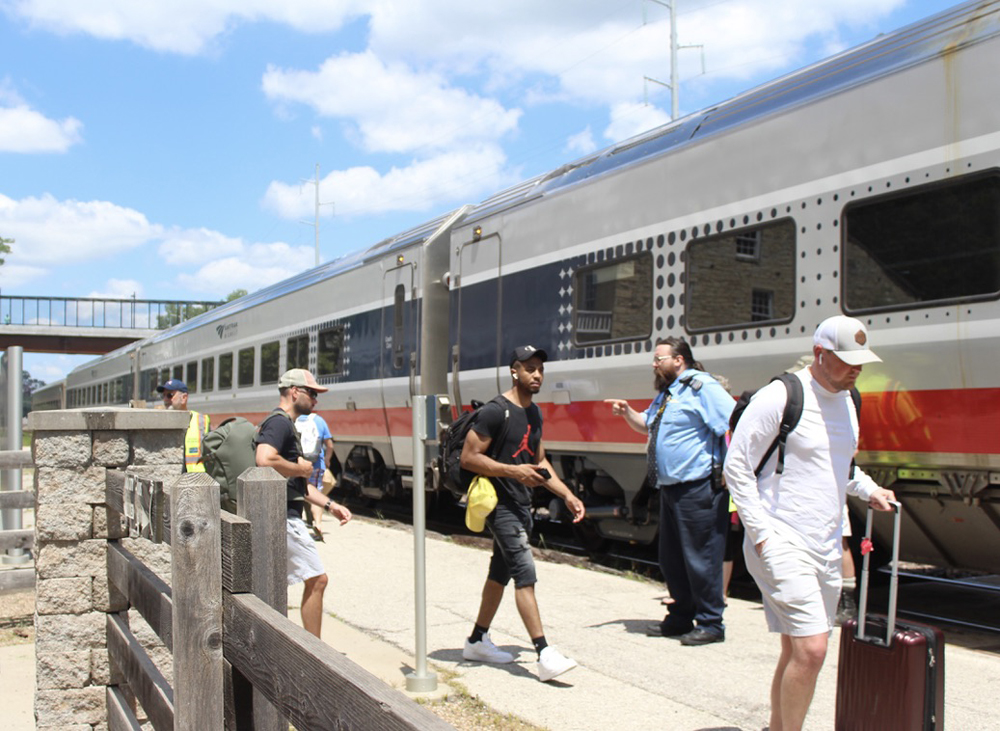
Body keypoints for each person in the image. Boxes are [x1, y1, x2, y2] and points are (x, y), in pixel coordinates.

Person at [724, 316, 896, 731]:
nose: (856, 369)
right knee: (814, 650)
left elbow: (840, 467)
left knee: (796, 647)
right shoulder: (781, 395)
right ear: (820, 354)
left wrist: (868, 488)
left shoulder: (850, 402)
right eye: (846, 360)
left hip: (825, 542)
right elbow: (737, 467)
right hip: (781, 537)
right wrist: (762, 534)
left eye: (860, 361)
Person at [460, 345, 586, 682]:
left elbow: (540, 461)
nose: (537, 375)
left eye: (540, 369)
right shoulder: (494, 411)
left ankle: (476, 640)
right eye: (530, 368)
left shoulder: (534, 414)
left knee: (499, 573)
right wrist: (514, 472)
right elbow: (469, 458)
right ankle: (544, 652)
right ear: (514, 370)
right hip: (499, 506)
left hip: (521, 504)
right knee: (524, 573)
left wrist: (567, 494)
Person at [606, 337, 734, 646]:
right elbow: (647, 425)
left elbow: (732, 422)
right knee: (672, 558)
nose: (654, 363)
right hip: (672, 488)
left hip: (699, 486)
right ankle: (680, 617)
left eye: (659, 358)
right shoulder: (668, 394)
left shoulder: (702, 387)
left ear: (679, 360)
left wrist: (732, 471)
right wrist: (627, 413)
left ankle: (711, 623)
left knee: (702, 556)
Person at [254, 368, 352, 639]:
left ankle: (287, 642)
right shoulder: (280, 423)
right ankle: (315, 650)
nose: (316, 400)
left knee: (281, 586)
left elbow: (296, 483)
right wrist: (300, 469)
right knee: (318, 579)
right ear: (294, 392)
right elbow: (264, 458)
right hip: (284, 517)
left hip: (284, 513)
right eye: (312, 393)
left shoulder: (285, 423)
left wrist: (331, 505)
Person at [295, 411, 336, 540]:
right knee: (316, 493)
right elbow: (329, 445)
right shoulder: (319, 420)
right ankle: (317, 524)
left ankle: (299, 525)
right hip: (316, 464)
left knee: (298, 492)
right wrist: (327, 459)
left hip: (298, 464)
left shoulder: (293, 419)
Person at [156, 378, 209, 473]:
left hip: (197, 481)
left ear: (184, 398)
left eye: (169, 395)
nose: (165, 399)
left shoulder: (201, 420)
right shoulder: (160, 422)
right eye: (163, 395)